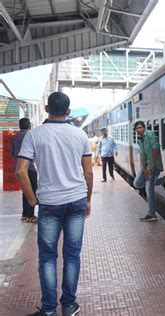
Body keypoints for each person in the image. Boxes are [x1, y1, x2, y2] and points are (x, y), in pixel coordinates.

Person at [15, 91, 93, 316]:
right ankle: (68, 306)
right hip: (76, 200)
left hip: (49, 204)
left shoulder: (34, 135)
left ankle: (49, 310)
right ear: (68, 112)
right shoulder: (80, 135)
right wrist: (87, 200)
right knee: (72, 254)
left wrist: (32, 200)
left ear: (47, 109)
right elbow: (88, 172)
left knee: (48, 257)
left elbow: (21, 171)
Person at [133, 120, 163, 222]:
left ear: (144, 128)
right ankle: (163, 181)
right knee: (137, 183)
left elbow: (156, 147)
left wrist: (152, 164)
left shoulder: (150, 134)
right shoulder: (140, 140)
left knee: (149, 190)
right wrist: (144, 169)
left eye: (140, 127)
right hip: (147, 166)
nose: (138, 130)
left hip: (154, 165)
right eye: (137, 128)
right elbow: (143, 156)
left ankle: (151, 214)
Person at [12, 117, 38, 223]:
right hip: (30, 168)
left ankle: (25, 214)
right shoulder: (30, 136)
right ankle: (31, 215)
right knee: (32, 189)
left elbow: (13, 153)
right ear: (29, 126)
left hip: (18, 167)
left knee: (25, 190)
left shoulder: (15, 137)